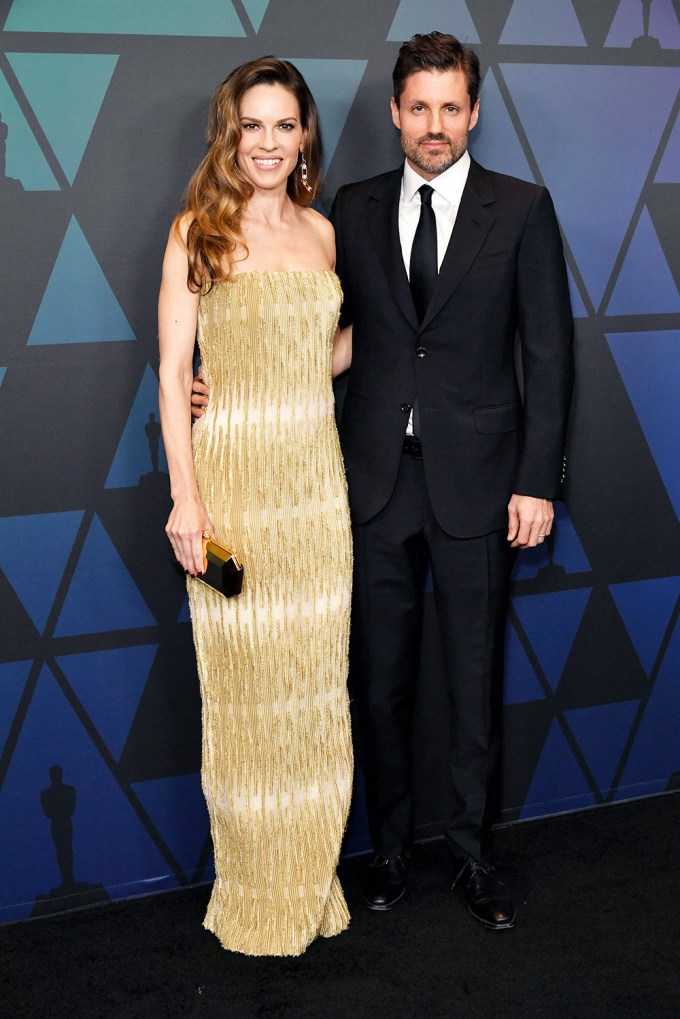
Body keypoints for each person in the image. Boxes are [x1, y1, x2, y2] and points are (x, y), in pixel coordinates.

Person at [193, 32, 574, 932]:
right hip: (363, 486)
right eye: (418, 107)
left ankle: (474, 857)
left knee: (472, 681)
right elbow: (315, 339)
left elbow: (548, 357)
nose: (434, 125)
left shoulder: (521, 209)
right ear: (396, 114)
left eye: (451, 107)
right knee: (378, 681)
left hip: (481, 486)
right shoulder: (349, 212)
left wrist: (536, 483)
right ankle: (391, 849)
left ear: (472, 113)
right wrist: (234, 381)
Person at [158, 56, 354, 957]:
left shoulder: (322, 234)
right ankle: (254, 892)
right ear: (229, 133)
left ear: (304, 134)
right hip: (232, 488)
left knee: (314, 695)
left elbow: (322, 351)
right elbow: (169, 376)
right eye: (253, 125)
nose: (269, 143)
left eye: (285, 126)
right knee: (244, 699)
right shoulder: (198, 230)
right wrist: (185, 501)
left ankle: (312, 885)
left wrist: (277, 378)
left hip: (315, 492)